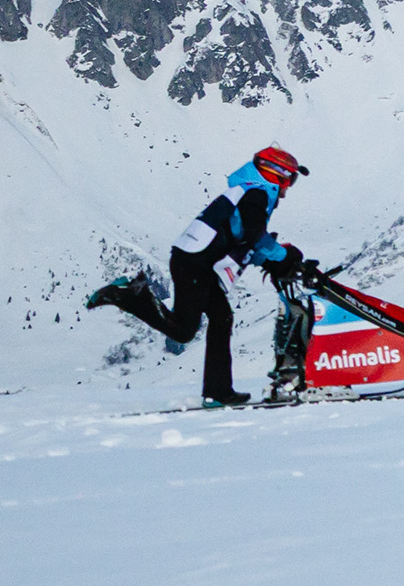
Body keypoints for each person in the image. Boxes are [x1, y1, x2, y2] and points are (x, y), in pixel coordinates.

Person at [88, 146, 311, 407]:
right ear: (277, 173)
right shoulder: (256, 194)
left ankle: (217, 393)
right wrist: (283, 258)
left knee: (221, 318)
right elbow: (255, 237)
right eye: (291, 179)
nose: (288, 189)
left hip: (194, 260)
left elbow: (244, 239)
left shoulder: (249, 191)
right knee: (183, 330)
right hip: (195, 263)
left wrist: (274, 259)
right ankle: (128, 294)